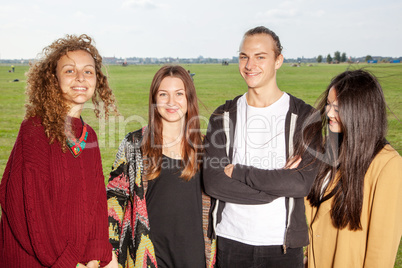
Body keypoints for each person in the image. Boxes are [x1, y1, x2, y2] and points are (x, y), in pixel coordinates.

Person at [203, 26, 320, 267]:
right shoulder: (222, 116)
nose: (249, 65)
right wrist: (275, 187)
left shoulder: (306, 117)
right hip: (231, 240)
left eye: (260, 57)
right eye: (244, 56)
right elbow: (214, 182)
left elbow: (300, 183)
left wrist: (238, 172)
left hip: (283, 245)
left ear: (278, 61)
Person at [0, 34, 118, 268]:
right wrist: (68, 263)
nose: (80, 78)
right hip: (38, 260)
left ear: (97, 80)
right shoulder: (35, 130)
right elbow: (28, 209)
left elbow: (95, 201)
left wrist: (96, 256)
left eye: (88, 71)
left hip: (80, 261)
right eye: (69, 71)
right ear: (53, 80)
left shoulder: (89, 135)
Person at [107, 65, 208, 268]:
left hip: (195, 257)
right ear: (154, 100)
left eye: (179, 94)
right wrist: (109, 253)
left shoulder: (207, 147)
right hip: (149, 256)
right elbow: (113, 199)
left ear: (189, 98)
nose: (171, 102)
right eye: (163, 94)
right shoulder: (134, 144)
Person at [302, 69, 402, 267]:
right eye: (329, 105)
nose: (329, 113)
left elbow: (381, 249)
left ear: (360, 111)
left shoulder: (388, 165)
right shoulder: (328, 151)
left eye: (337, 108)